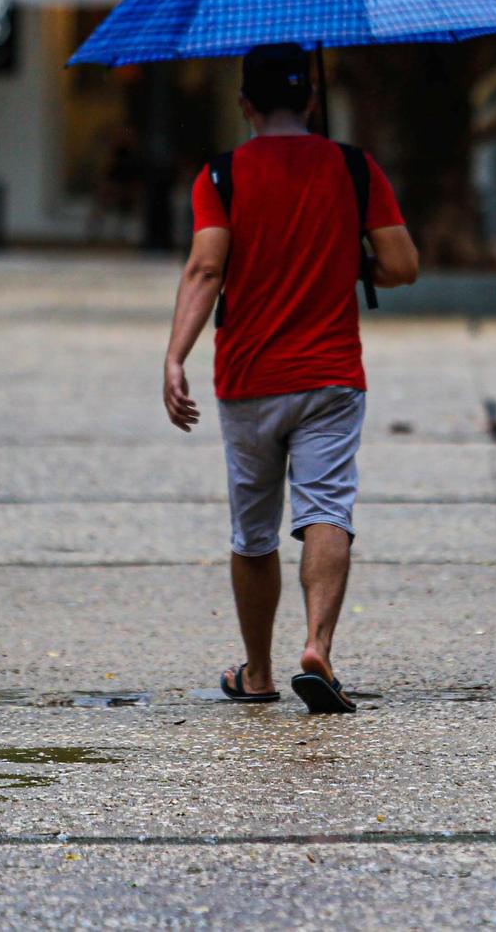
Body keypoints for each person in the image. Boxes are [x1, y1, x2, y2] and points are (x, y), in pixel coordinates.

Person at [162, 43, 419, 714]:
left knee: (254, 533)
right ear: (310, 99)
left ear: (244, 103)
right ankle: (318, 646)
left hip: (248, 375)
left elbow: (205, 269)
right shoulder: (354, 167)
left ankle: (256, 671)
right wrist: (349, 258)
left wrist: (174, 356)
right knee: (327, 508)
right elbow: (401, 264)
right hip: (332, 373)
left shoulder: (221, 176)